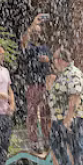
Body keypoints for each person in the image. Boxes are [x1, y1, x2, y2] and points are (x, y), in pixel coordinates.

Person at [48, 47, 83, 165]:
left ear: (60, 60)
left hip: (73, 116)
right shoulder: (62, 74)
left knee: (75, 145)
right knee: (56, 143)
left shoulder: (73, 73)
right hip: (59, 117)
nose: (52, 62)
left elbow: (75, 96)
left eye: (54, 59)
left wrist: (69, 118)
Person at [19, 15, 52, 152]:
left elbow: (51, 68)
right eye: (34, 32)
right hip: (32, 84)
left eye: (38, 32)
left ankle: (46, 140)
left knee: (46, 113)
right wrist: (33, 24)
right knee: (32, 114)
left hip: (44, 84)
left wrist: (48, 61)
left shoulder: (45, 48)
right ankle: (33, 142)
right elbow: (24, 41)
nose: (36, 34)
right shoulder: (29, 47)